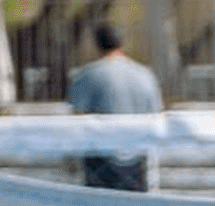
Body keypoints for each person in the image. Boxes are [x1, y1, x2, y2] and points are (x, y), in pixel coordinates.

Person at [67, 21, 165, 191]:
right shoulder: (145, 75)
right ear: (123, 42)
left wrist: (69, 159)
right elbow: (157, 119)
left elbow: (77, 120)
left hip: (101, 163)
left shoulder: (87, 75)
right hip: (138, 161)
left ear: (97, 44)